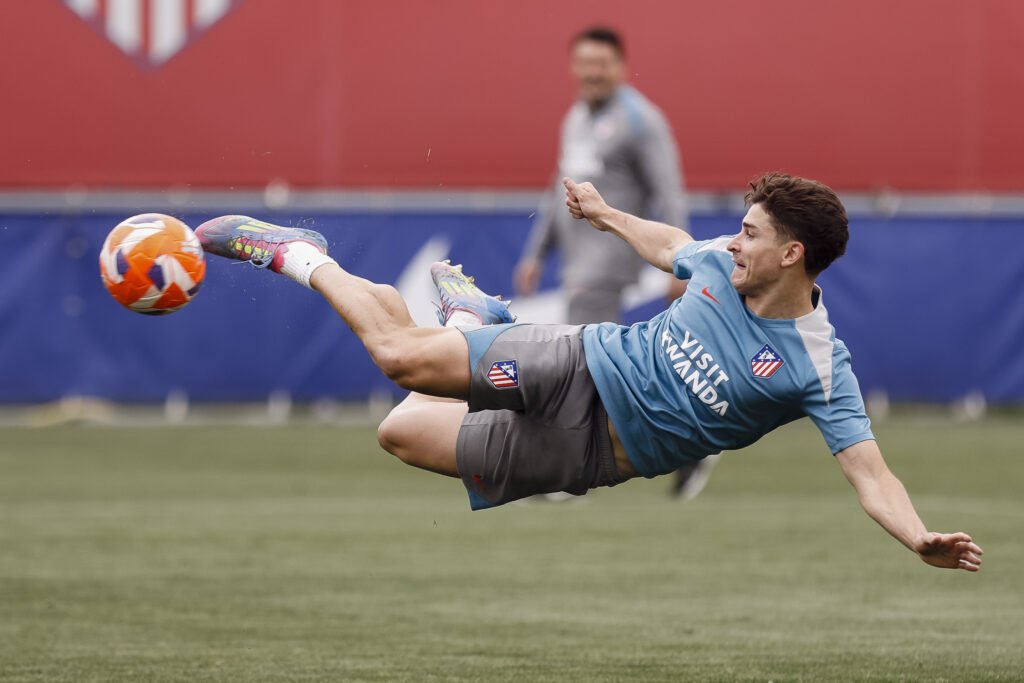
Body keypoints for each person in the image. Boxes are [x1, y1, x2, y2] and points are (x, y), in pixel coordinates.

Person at [194, 172, 983, 572]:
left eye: (749, 234)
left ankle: (473, 319)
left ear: (792, 254)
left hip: (591, 456)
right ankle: (294, 251)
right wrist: (605, 214)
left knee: (398, 429)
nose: (731, 243)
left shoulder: (818, 364)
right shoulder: (718, 261)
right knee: (402, 358)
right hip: (576, 362)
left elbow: (871, 475)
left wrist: (917, 536)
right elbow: (669, 239)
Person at [513, 26, 713, 498]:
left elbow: (670, 189)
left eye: (601, 63)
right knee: (607, 365)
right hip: (578, 259)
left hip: (613, 252)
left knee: (577, 356)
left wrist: (683, 261)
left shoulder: (642, 120)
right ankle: (693, 439)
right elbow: (556, 187)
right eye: (584, 63)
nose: (591, 72)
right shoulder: (576, 118)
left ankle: (566, 470)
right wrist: (536, 252)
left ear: (620, 67)